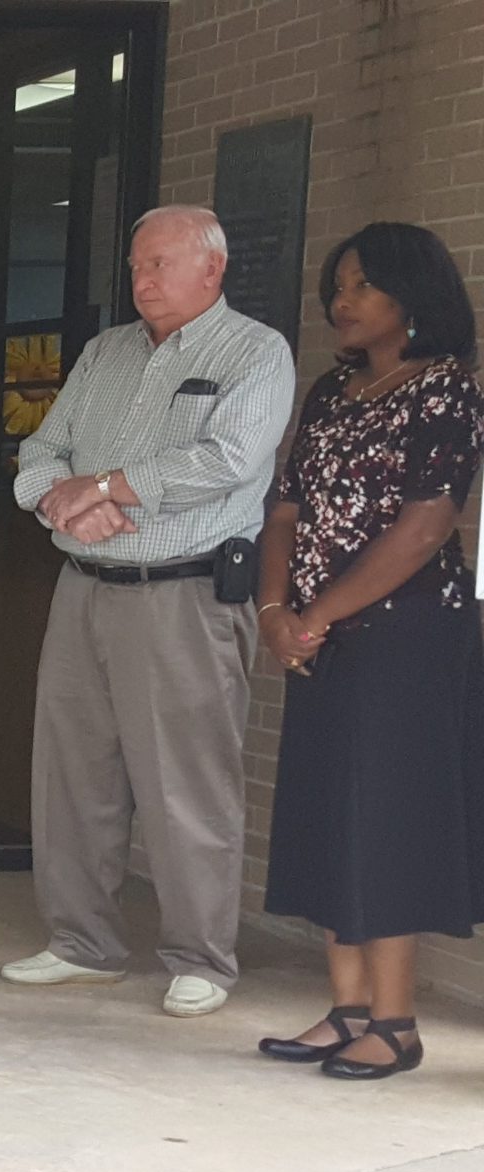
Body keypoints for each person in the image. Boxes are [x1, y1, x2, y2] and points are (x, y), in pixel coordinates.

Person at [3, 204, 297, 1018]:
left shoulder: (253, 353)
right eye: (136, 265)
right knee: (71, 774)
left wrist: (101, 487)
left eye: (160, 265)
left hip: (184, 592)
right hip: (85, 584)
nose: (142, 280)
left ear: (213, 270)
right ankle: (81, 943)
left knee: (185, 782)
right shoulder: (106, 352)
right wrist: (62, 504)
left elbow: (229, 459)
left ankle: (201, 956)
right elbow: (41, 449)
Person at [256, 222, 484, 1079]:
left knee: (386, 819)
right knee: (325, 808)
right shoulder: (331, 391)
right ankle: (347, 1007)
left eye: (359, 286)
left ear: (411, 298)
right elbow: (285, 511)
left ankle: (396, 1023)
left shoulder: (446, 393)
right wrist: (278, 609)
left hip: (410, 641)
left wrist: (314, 615)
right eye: (337, 288)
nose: (340, 304)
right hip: (322, 635)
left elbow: (427, 526)